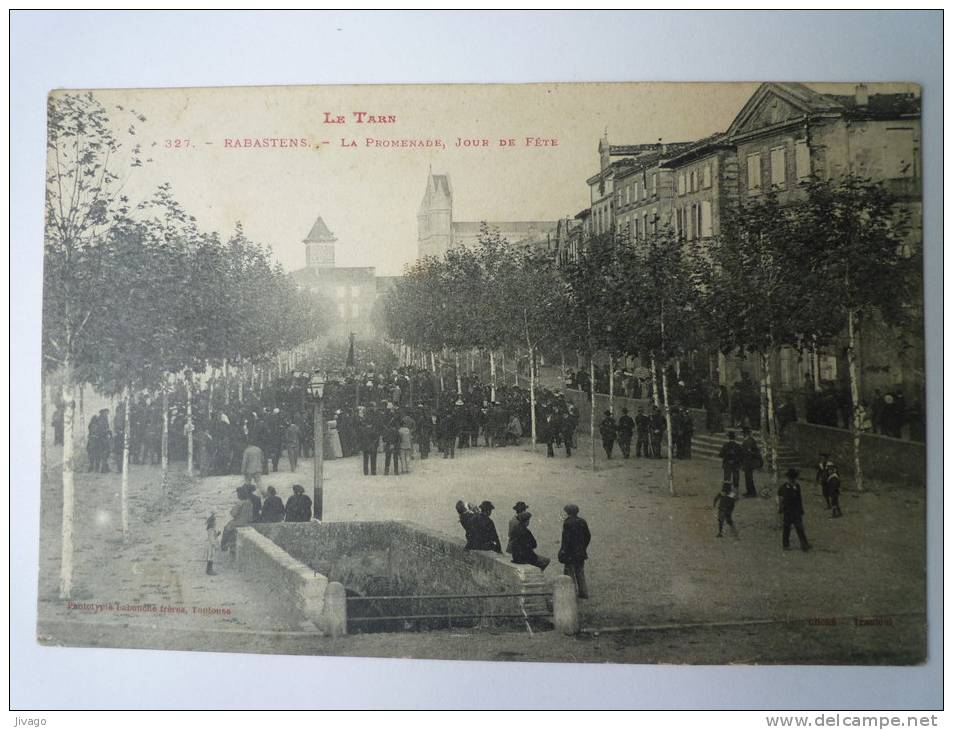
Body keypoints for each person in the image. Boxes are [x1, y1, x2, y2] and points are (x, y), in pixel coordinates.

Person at [559, 504, 591, 599]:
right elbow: (588, 536)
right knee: (580, 572)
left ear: (568, 512)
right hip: (580, 552)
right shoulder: (582, 521)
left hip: (570, 553)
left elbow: (566, 539)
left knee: (569, 573)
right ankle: (583, 592)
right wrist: (583, 547)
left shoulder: (567, 523)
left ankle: (570, 593)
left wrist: (563, 551)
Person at [777, 468, 811, 551]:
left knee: (799, 527)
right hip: (788, 510)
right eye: (791, 478)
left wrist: (801, 509)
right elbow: (781, 498)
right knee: (786, 528)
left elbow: (799, 499)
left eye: (794, 478)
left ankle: (804, 544)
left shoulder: (797, 486)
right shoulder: (784, 487)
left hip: (796, 510)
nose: (793, 480)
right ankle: (786, 545)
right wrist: (781, 508)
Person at [221, 486, 254, 558]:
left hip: (238, 522)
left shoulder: (240, 503)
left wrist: (232, 510)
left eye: (238, 494)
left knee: (226, 528)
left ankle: (224, 546)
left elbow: (233, 513)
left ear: (240, 494)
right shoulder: (250, 503)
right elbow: (250, 516)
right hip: (247, 523)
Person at [740, 427, 762, 498]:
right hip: (748, 461)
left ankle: (751, 493)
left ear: (746, 434)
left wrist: (745, 463)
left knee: (749, 478)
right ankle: (750, 491)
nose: (743, 435)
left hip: (749, 462)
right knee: (748, 478)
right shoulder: (749, 440)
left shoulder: (749, 441)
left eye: (744, 433)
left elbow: (750, 453)